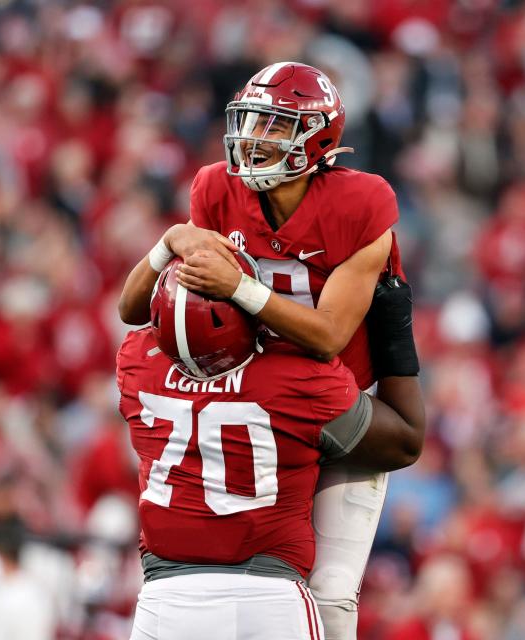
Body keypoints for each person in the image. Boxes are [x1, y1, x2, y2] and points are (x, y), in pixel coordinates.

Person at [117, 61, 420, 639]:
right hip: (261, 401)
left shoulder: (362, 203)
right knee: (250, 569)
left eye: (276, 127)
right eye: (252, 122)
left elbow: (329, 333)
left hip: (334, 404)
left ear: (319, 139)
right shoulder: (215, 188)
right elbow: (144, 308)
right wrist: (165, 246)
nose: (255, 139)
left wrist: (241, 290)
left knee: (329, 595)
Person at [118, 254, 425, 640]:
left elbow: (138, 312)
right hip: (268, 601)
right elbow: (404, 442)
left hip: (164, 604)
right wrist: (393, 334)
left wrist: (166, 246)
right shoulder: (294, 378)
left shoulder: (136, 363)